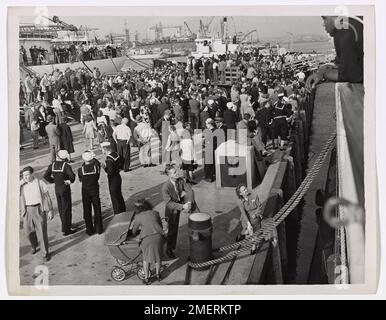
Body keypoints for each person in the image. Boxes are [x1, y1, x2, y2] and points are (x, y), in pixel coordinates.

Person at [161, 163, 198, 258]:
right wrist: (182, 207)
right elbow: (169, 203)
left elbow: (189, 190)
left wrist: (189, 203)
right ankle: (169, 248)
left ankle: (199, 231)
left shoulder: (180, 180)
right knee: (173, 229)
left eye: (177, 171)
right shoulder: (165, 187)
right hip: (172, 208)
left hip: (181, 201)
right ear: (169, 175)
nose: (177, 173)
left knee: (196, 210)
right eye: (174, 172)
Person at [20, 166, 53, 262]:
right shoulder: (22, 185)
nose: (25, 177)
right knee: (28, 231)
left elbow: (47, 197)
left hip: (39, 209)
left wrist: (50, 210)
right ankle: (34, 245)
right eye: (23, 176)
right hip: (27, 210)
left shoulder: (40, 183)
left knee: (42, 232)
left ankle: (45, 253)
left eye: (27, 175)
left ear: (32, 174)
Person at [43, 150, 78, 236]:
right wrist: (69, 181)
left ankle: (65, 224)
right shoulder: (66, 166)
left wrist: (53, 181)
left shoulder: (53, 165)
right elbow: (72, 177)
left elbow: (46, 176)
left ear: (58, 156)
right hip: (65, 188)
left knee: (61, 208)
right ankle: (66, 229)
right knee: (66, 208)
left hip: (57, 188)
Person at [131, 199, 166, 285]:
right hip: (158, 237)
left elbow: (134, 231)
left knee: (146, 259)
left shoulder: (138, 217)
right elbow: (160, 226)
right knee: (158, 258)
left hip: (146, 239)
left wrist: (135, 234)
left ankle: (147, 278)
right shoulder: (155, 213)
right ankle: (158, 275)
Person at [78, 150, 103, 235]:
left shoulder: (80, 170)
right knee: (97, 208)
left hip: (85, 191)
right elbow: (97, 177)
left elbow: (80, 179)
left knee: (87, 209)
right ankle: (99, 229)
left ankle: (89, 229)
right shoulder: (96, 168)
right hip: (94, 189)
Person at [235, 183, 263, 254]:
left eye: (245, 188)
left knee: (253, 233)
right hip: (246, 219)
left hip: (255, 218)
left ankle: (252, 246)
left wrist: (256, 214)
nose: (246, 190)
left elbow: (260, 206)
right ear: (241, 193)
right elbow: (243, 213)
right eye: (244, 190)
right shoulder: (240, 201)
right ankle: (243, 235)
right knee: (249, 231)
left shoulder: (254, 195)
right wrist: (248, 224)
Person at [101, 141, 126, 215]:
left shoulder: (109, 159)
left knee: (114, 196)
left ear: (105, 149)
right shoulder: (116, 154)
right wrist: (120, 168)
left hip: (112, 179)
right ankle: (123, 210)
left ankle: (117, 213)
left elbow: (110, 172)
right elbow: (123, 160)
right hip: (118, 176)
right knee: (119, 194)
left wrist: (104, 168)